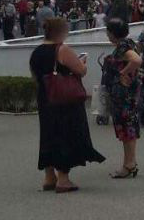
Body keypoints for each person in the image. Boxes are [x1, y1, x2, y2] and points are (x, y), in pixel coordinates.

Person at [29, 18, 105, 193]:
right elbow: (81, 70)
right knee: (66, 134)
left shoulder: (37, 52)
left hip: (45, 97)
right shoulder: (61, 49)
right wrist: (83, 62)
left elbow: (35, 76)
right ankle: (63, 179)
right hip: (64, 100)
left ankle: (49, 176)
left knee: (48, 134)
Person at [102, 18, 143, 178]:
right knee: (128, 128)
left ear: (112, 33)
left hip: (124, 95)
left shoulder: (123, 47)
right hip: (128, 94)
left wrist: (122, 73)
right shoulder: (129, 43)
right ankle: (129, 163)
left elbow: (137, 60)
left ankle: (129, 164)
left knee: (126, 127)